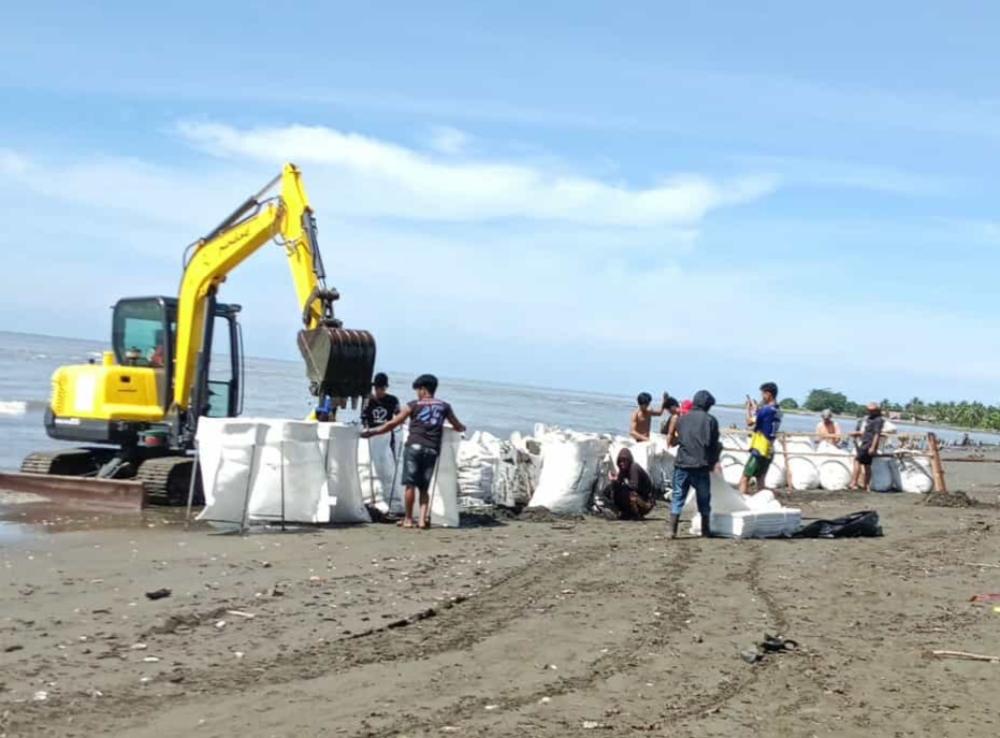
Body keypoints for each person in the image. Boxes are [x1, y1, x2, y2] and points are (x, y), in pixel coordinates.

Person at [361, 374, 465, 529]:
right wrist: (462, 429)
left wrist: (372, 432)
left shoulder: (413, 405)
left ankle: (408, 519)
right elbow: (457, 426)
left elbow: (393, 423)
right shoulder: (444, 406)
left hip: (414, 447)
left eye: (417, 390)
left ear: (423, 389)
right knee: (424, 487)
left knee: (410, 485)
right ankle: (422, 520)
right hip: (432, 449)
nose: (417, 393)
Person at [669, 390, 722, 538]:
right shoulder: (711, 421)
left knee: (678, 496)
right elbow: (713, 445)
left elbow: (678, 440)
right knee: (704, 499)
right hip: (701, 466)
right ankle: (705, 530)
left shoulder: (681, 420)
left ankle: (672, 530)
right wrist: (713, 462)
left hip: (682, 463)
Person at [739, 382, 782, 495]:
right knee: (760, 479)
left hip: (759, 449)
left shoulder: (765, 410)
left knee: (745, 478)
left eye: (763, 394)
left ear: (768, 394)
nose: (761, 397)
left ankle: (741, 503)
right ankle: (763, 502)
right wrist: (756, 409)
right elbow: (763, 419)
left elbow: (749, 422)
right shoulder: (778, 410)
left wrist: (748, 410)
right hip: (769, 449)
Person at [601, 448, 656, 520]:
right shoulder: (623, 470)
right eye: (620, 461)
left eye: (624, 461)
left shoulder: (634, 467)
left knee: (629, 494)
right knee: (612, 489)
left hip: (646, 501)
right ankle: (617, 511)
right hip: (638, 498)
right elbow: (617, 485)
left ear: (629, 460)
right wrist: (614, 482)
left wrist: (620, 485)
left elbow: (634, 486)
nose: (622, 463)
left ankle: (635, 515)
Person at [849, 402, 884, 491]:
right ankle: (866, 485)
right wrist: (857, 434)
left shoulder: (878, 420)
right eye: (869, 410)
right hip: (865, 442)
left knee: (857, 460)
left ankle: (854, 483)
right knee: (867, 465)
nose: (870, 412)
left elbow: (877, 434)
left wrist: (873, 447)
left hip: (868, 444)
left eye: (872, 410)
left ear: (876, 411)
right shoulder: (869, 419)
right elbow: (866, 431)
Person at [362, 373, 401, 451]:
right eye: (376, 388)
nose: (379, 391)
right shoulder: (368, 400)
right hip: (372, 432)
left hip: (386, 433)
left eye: (382, 389)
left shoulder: (392, 400)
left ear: (386, 387)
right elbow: (363, 417)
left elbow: (399, 415)